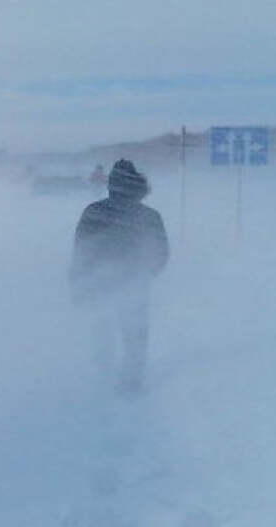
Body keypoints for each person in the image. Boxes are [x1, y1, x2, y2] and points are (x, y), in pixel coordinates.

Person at [69, 159, 169, 394]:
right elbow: (161, 252)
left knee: (102, 328)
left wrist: (78, 282)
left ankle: (104, 374)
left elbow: (81, 251)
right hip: (135, 281)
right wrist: (146, 272)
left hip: (100, 282)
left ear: (111, 185)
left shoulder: (94, 211)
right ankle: (131, 381)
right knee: (135, 333)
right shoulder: (150, 216)